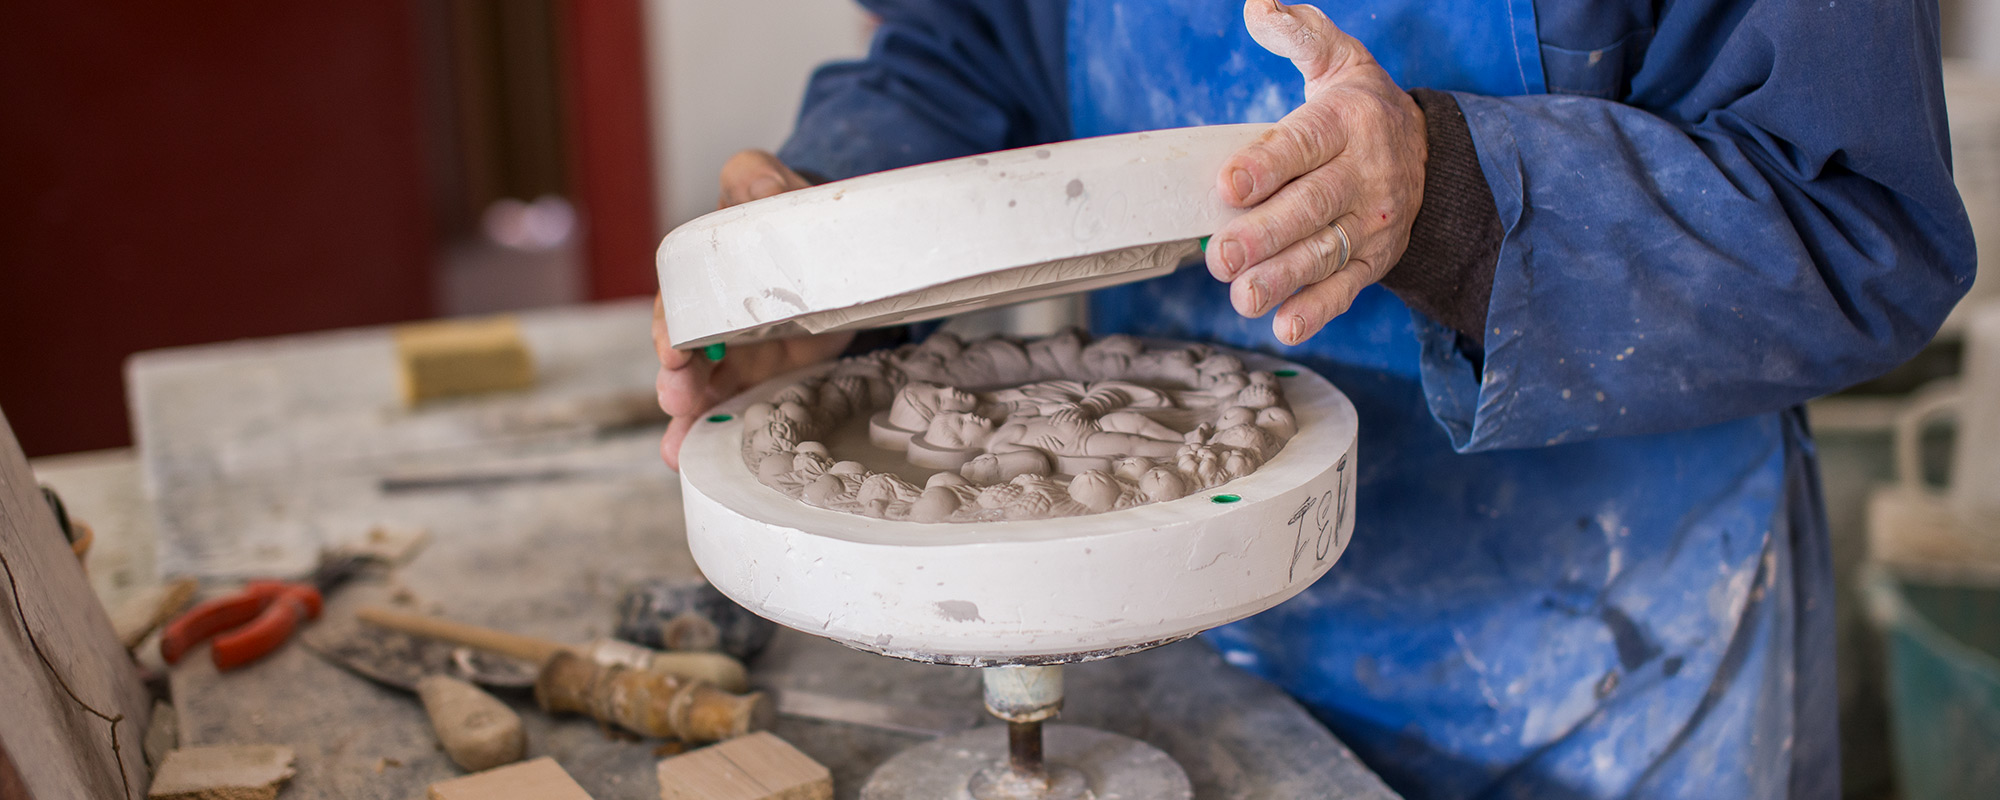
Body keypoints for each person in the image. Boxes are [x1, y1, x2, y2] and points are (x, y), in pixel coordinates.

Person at [653, 1, 1976, 797]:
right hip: (1179, 627)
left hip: (1614, 674)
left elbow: (1854, 220)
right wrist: (827, 262)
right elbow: (975, 43)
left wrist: (1448, 198)